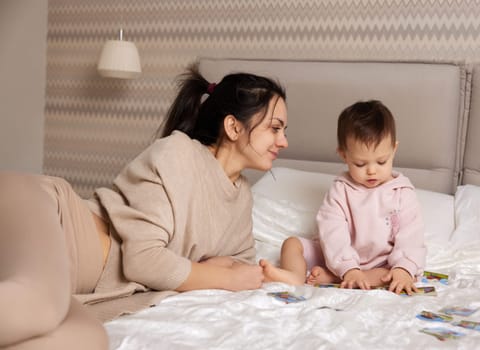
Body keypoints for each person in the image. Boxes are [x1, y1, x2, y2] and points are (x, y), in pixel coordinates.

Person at [0, 62, 288, 349]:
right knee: (38, 305)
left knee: (87, 340)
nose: (283, 141)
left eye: (284, 130)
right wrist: (221, 276)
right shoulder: (179, 153)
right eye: (274, 128)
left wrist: (224, 272)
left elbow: (242, 266)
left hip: (84, 286)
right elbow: (145, 260)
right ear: (234, 127)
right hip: (53, 217)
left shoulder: (242, 197)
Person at [260, 100, 425, 295]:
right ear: (344, 155)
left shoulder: (402, 192)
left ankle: (333, 278)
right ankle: (294, 275)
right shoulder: (341, 189)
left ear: (394, 150)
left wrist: (403, 268)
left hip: (380, 262)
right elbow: (332, 232)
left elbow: (411, 236)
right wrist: (348, 267)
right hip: (338, 257)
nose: (372, 170)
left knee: (395, 274)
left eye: (381, 161)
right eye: (360, 164)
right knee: (292, 244)